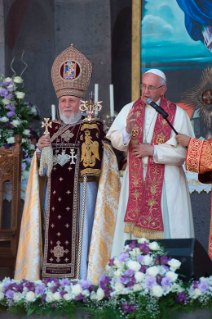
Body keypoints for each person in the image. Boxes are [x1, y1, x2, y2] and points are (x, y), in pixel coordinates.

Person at [15, 44, 120, 284]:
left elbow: (104, 160)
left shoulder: (90, 128)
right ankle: (52, 282)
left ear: (81, 103)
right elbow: (42, 171)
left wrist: (95, 146)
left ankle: (81, 281)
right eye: (63, 101)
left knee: (81, 237)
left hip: (82, 193)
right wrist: (41, 151)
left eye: (72, 100)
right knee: (52, 236)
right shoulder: (50, 130)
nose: (67, 106)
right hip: (54, 197)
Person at [107, 69, 195, 257]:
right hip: (135, 181)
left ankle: (170, 269)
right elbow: (115, 141)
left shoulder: (176, 114)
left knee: (168, 226)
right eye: (144, 86)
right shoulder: (129, 110)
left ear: (163, 90)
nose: (145, 91)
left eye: (151, 87)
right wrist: (127, 130)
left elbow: (185, 152)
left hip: (167, 183)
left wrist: (153, 151)